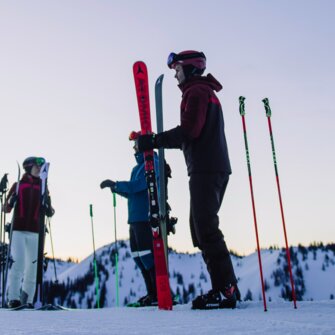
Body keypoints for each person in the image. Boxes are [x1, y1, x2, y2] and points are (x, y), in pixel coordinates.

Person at [136, 50, 240, 309]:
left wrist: (155, 140)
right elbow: (193, 132)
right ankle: (223, 288)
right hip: (209, 167)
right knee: (199, 228)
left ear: (191, 68)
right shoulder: (202, 92)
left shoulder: (196, 92)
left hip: (206, 168)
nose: (175, 74)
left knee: (205, 227)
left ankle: (225, 289)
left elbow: (190, 131)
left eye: (177, 69)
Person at [100, 135, 161, 307]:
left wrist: (118, 184)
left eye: (135, 144)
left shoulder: (153, 163)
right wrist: (115, 188)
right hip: (134, 219)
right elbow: (132, 192)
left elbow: (140, 186)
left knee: (147, 257)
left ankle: (157, 293)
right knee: (138, 257)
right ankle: (151, 293)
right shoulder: (137, 168)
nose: (133, 148)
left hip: (145, 218)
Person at [4, 156, 54, 308]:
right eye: (36, 167)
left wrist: (48, 209)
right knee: (18, 262)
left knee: (32, 267)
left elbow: (50, 211)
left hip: (35, 232)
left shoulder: (43, 187)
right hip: (18, 230)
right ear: (28, 167)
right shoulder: (18, 185)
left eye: (40, 167)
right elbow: (5, 209)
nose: (39, 169)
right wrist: (11, 201)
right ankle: (13, 298)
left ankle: (28, 300)